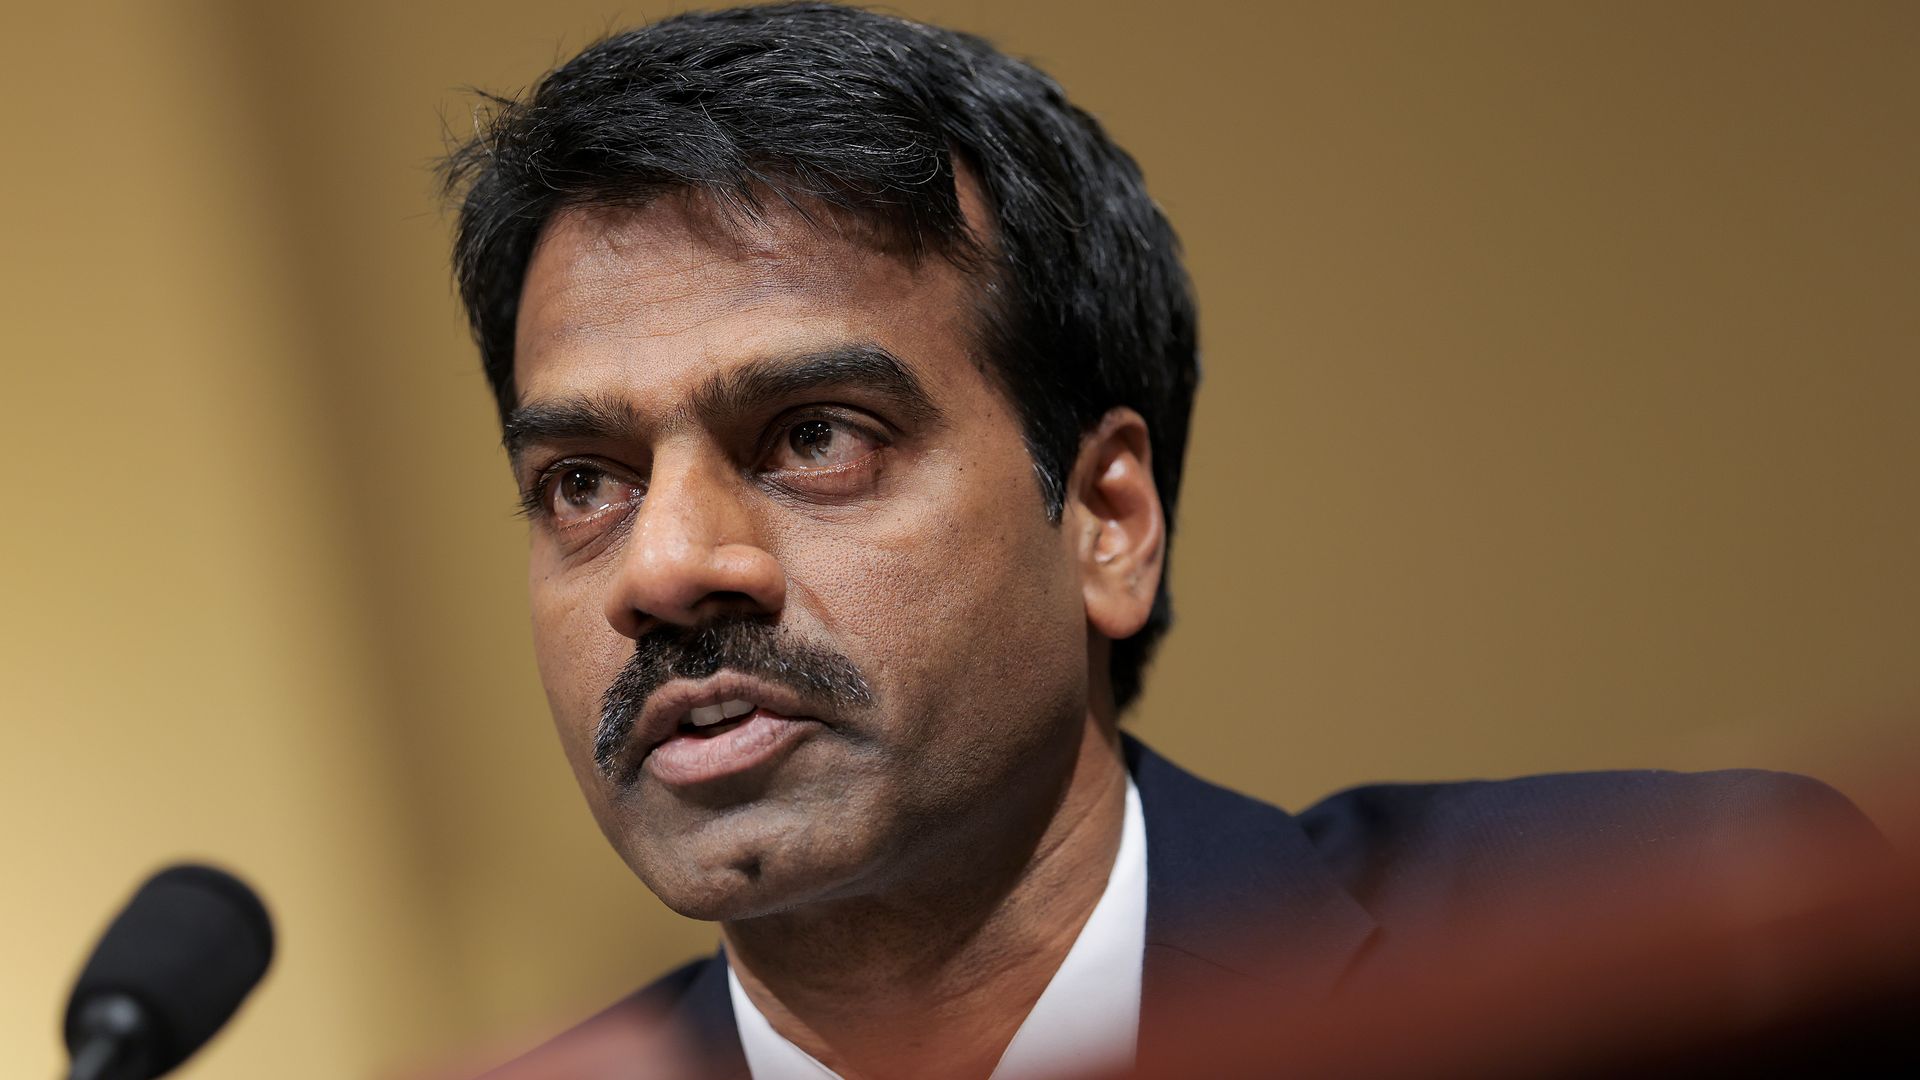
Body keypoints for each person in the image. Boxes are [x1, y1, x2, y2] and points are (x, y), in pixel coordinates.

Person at [438, 5, 1885, 1078]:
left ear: (1109, 521)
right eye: (583, 483)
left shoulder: (1669, 955)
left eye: (816, 436)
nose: (663, 568)